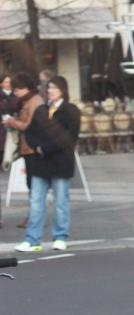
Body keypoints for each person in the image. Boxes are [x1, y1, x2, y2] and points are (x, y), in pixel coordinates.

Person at [16, 76, 79, 252]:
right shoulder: (41, 110)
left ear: (63, 91)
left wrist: (46, 148)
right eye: (49, 88)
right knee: (36, 201)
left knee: (61, 202)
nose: (51, 91)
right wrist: (37, 146)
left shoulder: (71, 110)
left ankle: (60, 237)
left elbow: (70, 136)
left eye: (55, 88)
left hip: (60, 162)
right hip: (40, 163)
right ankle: (32, 239)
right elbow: (30, 132)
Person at [4, 73, 44, 229]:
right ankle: (33, 216)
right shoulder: (29, 100)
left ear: (25, 88)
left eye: (17, 89)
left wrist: (14, 123)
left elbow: (32, 126)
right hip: (28, 148)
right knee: (32, 183)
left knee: (34, 184)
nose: (15, 93)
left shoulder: (34, 102)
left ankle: (34, 217)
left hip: (32, 148)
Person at [0, 73, 17, 172]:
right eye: (6, 82)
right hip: (2, 124)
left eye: (10, 82)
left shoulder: (14, 94)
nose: (8, 84)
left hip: (12, 124)